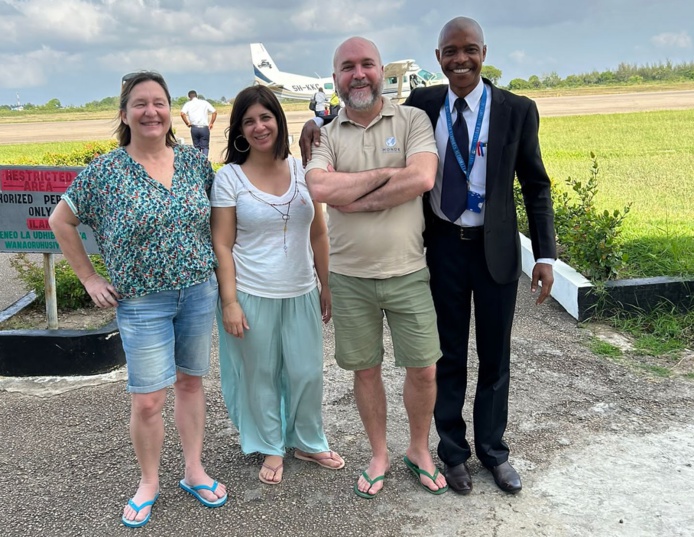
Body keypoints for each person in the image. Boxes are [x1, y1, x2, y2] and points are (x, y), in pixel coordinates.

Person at [299, 18, 556, 496]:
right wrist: (316, 124)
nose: (461, 60)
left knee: (496, 355)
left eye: (470, 50)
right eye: (451, 52)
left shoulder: (517, 110)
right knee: (447, 356)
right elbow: (361, 110)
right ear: (438, 57)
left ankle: (494, 453)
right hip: (443, 249)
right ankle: (452, 452)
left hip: (496, 249)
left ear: (484, 52)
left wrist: (545, 256)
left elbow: (536, 186)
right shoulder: (425, 104)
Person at [49, 71, 227, 528]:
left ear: (172, 111)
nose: (151, 111)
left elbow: (217, 223)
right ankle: (149, 481)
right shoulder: (104, 172)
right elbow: (60, 221)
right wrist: (88, 277)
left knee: (191, 383)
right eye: (140, 103)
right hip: (142, 301)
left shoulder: (193, 163)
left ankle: (193, 470)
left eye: (159, 103)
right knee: (148, 399)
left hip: (197, 291)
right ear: (125, 114)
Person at [304, 37, 448, 499]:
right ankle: (379, 454)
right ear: (335, 79)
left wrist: (354, 194)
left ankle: (420, 450)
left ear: (382, 71)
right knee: (365, 371)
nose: (359, 74)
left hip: (408, 270)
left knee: (423, 369)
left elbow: (423, 177)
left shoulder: (412, 120)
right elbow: (319, 188)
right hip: (350, 278)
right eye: (348, 67)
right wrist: (390, 176)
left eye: (367, 64)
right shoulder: (325, 134)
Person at [210, 85, 344, 486]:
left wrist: (326, 283)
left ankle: (306, 439)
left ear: (278, 121)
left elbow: (319, 233)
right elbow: (222, 243)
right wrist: (230, 301)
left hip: (300, 288)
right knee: (261, 374)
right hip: (252, 293)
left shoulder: (304, 171)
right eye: (249, 121)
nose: (259, 127)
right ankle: (270, 445)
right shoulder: (230, 178)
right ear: (239, 130)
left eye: (265, 117)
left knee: (307, 372)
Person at [180, 90, 217, 157]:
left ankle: (198, 163)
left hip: (194, 128)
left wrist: (187, 123)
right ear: (196, 95)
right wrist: (211, 123)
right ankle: (205, 162)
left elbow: (182, 114)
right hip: (204, 128)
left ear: (189, 97)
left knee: (196, 147)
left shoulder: (188, 104)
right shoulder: (204, 103)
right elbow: (214, 112)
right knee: (205, 147)